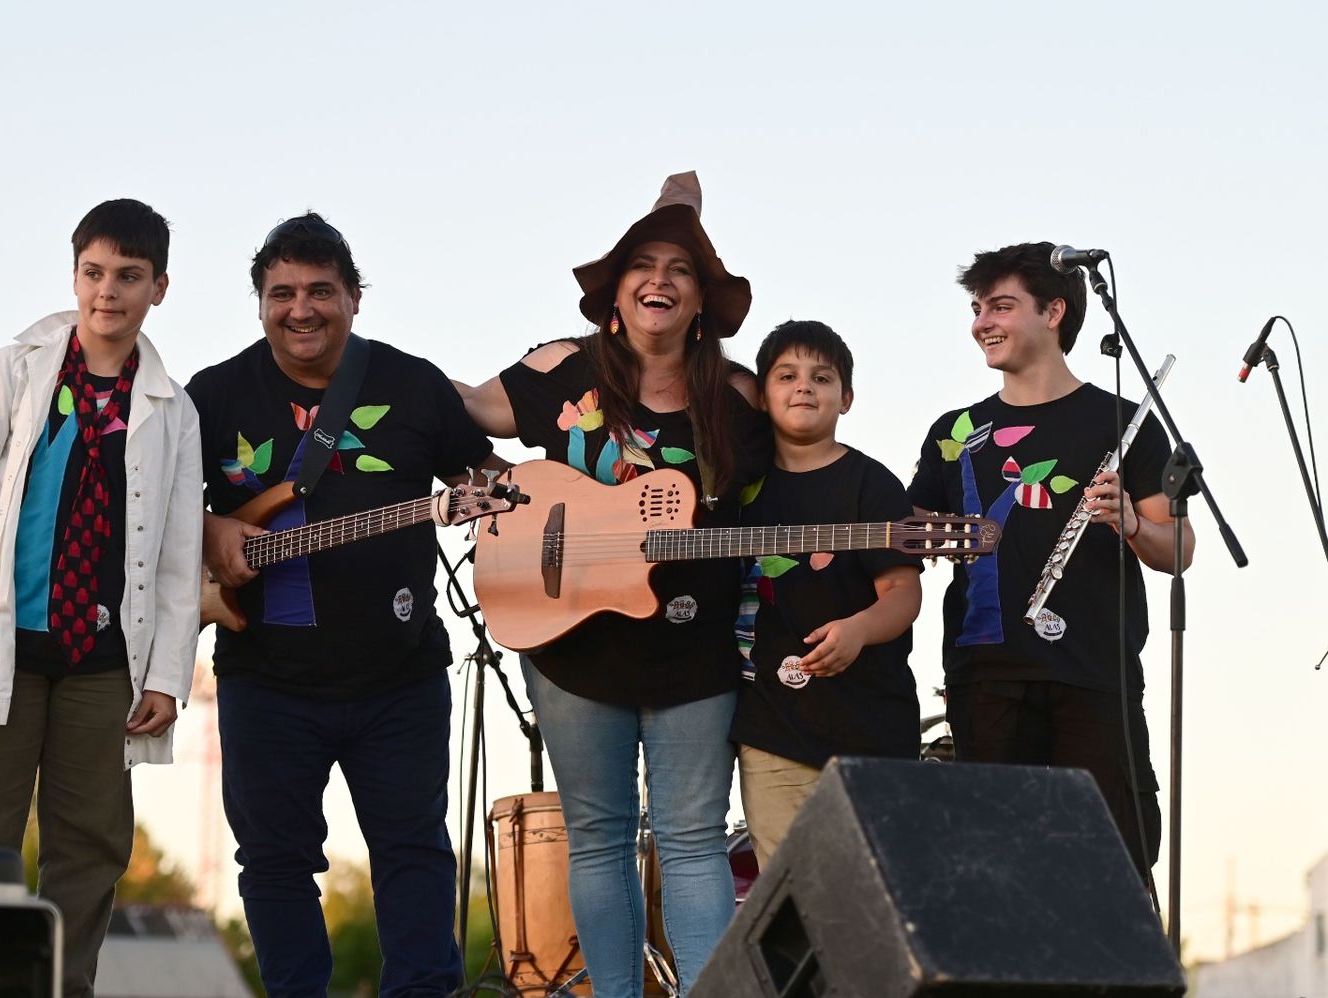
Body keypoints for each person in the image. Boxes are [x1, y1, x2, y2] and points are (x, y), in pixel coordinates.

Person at [456, 172, 769, 997]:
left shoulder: (737, 399)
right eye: (644, 264)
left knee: (693, 838)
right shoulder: (561, 368)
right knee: (598, 836)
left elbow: (797, 480)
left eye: (681, 269)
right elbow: (461, 413)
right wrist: (491, 483)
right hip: (570, 639)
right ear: (616, 289)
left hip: (692, 648)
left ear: (702, 300)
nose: (660, 279)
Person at [0, 198, 203, 997]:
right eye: (95, 273)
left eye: (130, 276)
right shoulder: (14, 370)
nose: (109, 292)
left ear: (159, 287)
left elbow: (174, 555)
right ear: (74, 275)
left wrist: (166, 674)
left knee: (92, 844)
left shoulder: (173, 411)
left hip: (101, 661)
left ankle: (64, 989)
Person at [187, 213, 497, 997]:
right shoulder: (213, 395)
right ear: (259, 303)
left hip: (401, 677)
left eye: (321, 290)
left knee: (416, 856)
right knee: (276, 865)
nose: (301, 308)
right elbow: (146, 505)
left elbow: (487, 476)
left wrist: (494, 499)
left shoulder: (411, 383)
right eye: (281, 292)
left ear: (354, 298)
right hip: (265, 678)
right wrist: (211, 525)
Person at [906, 241, 1194, 875]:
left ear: (1055, 311)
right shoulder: (955, 432)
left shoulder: (1125, 420)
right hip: (986, 677)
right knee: (1001, 876)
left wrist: (1130, 523)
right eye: (978, 307)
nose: (982, 322)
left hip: (1094, 675)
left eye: (1001, 305)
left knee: (1111, 868)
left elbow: (1180, 550)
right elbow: (913, 528)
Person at [730, 320, 923, 869]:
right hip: (771, 728)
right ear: (762, 396)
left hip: (871, 725)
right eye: (786, 376)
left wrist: (859, 629)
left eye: (822, 377)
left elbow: (903, 592)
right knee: (791, 893)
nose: (803, 387)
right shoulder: (738, 488)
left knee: (876, 894)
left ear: (847, 398)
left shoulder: (871, 483)